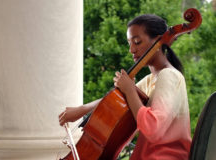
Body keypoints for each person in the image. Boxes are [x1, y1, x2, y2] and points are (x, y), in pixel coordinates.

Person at [59, 14, 191, 160]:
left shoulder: (169, 76)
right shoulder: (151, 80)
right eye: (130, 43)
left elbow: (153, 129)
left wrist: (129, 89)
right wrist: (82, 110)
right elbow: (115, 99)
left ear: (158, 41)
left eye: (137, 42)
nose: (131, 50)